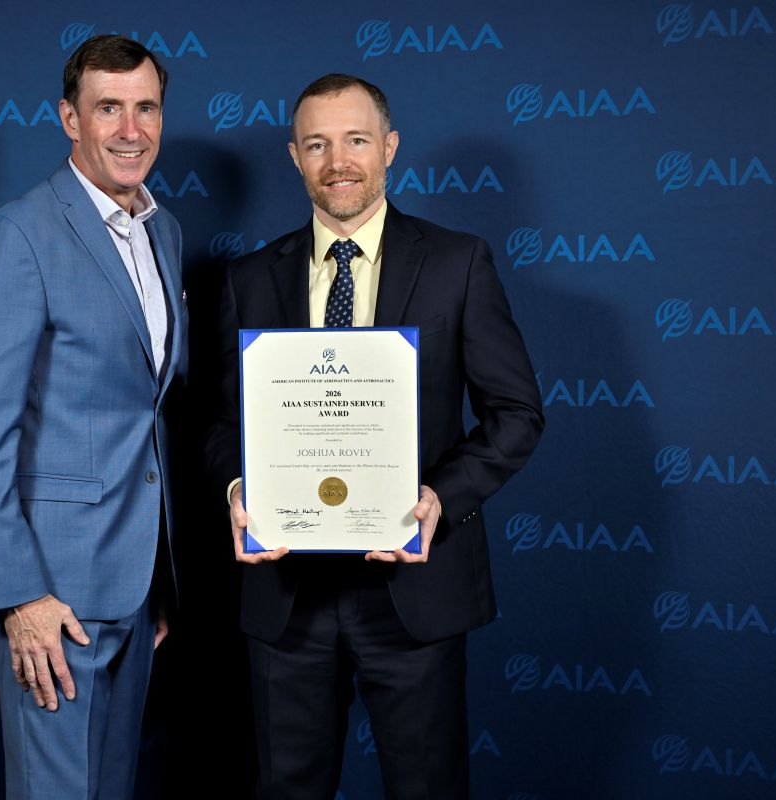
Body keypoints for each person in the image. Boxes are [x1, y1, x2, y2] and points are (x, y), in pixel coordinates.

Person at [205, 74, 544, 799]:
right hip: (285, 591)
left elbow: (517, 413)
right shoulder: (248, 277)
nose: (339, 162)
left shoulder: (459, 263)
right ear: (294, 156)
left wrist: (438, 498)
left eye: (356, 140)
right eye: (318, 144)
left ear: (388, 147)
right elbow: (220, 425)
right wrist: (239, 487)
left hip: (412, 588)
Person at [0, 35, 186, 800]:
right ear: (69, 119)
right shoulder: (16, 235)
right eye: (107, 108)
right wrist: (19, 596)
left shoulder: (163, 231)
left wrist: (158, 583)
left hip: (140, 584)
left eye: (145, 107)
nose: (129, 128)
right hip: (52, 594)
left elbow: (144, 411)